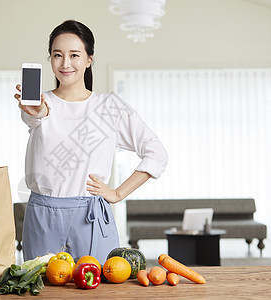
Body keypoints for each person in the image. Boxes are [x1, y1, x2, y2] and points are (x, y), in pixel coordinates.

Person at [14, 20, 168, 264]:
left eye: (74, 55)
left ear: (88, 59)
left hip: (91, 218)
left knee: (98, 290)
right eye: (57, 55)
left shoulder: (109, 107)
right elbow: (36, 117)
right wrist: (37, 110)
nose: (65, 63)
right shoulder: (40, 105)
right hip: (42, 218)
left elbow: (156, 154)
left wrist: (117, 193)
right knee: (41, 290)